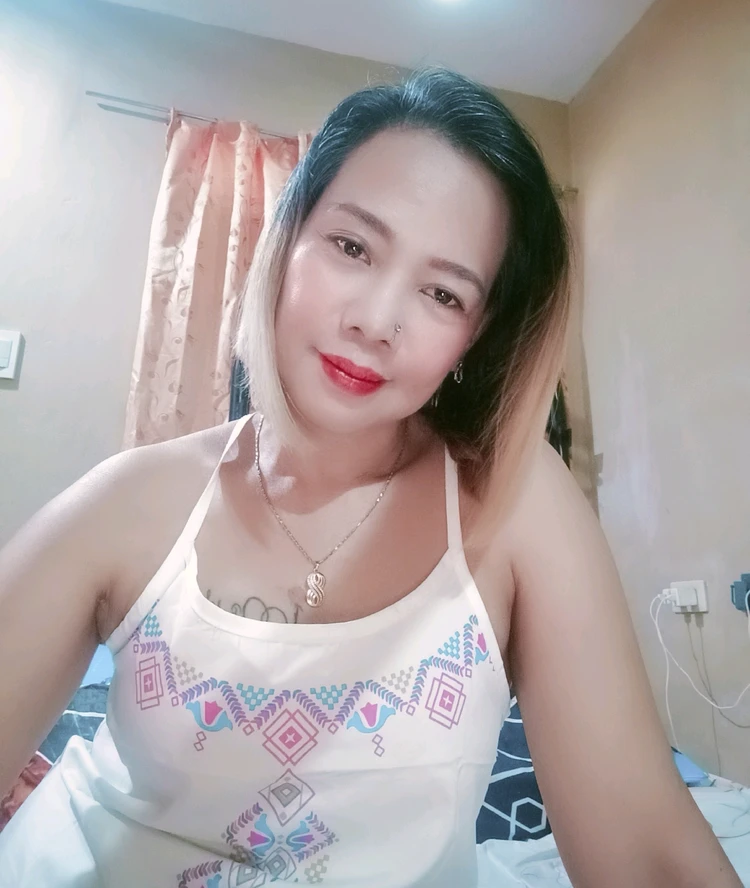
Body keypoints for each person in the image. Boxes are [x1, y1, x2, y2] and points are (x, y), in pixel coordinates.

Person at [0, 68, 740, 887]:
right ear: (288, 238)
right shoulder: (132, 500)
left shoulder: (513, 504)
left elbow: (646, 852)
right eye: (352, 247)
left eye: (442, 294)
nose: (376, 321)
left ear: (475, 336)